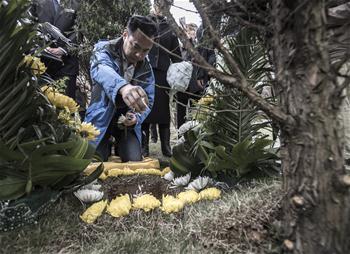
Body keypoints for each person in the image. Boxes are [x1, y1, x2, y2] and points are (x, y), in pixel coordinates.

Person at [84, 15, 157, 162]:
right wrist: (123, 87)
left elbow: (148, 98)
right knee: (94, 160)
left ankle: (121, 144)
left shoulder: (146, 66)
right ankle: (106, 143)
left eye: (146, 50)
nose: (139, 55)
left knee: (134, 159)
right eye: (135, 46)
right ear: (125, 35)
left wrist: (137, 117)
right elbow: (101, 68)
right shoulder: (104, 49)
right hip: (100, 118)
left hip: (126, 125)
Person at [141, 0, 182, 157]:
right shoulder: (144, 22)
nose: (161, 8)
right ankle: (144, 146)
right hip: (144, 73)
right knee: (144, 108)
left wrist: (179, 72)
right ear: (153, 5)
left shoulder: (170, 27)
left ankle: (166, 146)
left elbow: (176, 55)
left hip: (163, 75)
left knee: (163, 110)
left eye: (165, 5)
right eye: (158, 4)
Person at [30, 0, 80, 100]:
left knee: (65, 108)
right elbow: (30, 24)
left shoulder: (77, 2)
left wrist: (64, 49)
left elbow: (80, 29)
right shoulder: (35, 2)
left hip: (67, 64)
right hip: (40, 64)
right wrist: (43, 47)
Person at [176, 23, 216, 128]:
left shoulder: (200, 47)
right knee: (181, 112)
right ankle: (181, 134)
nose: (190, 34)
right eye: (188, 32)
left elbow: (200, 57)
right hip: (182, 85)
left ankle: (194, 132)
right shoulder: (181, 49)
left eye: (192, 31)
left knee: (196, 111)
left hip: (196, 85)